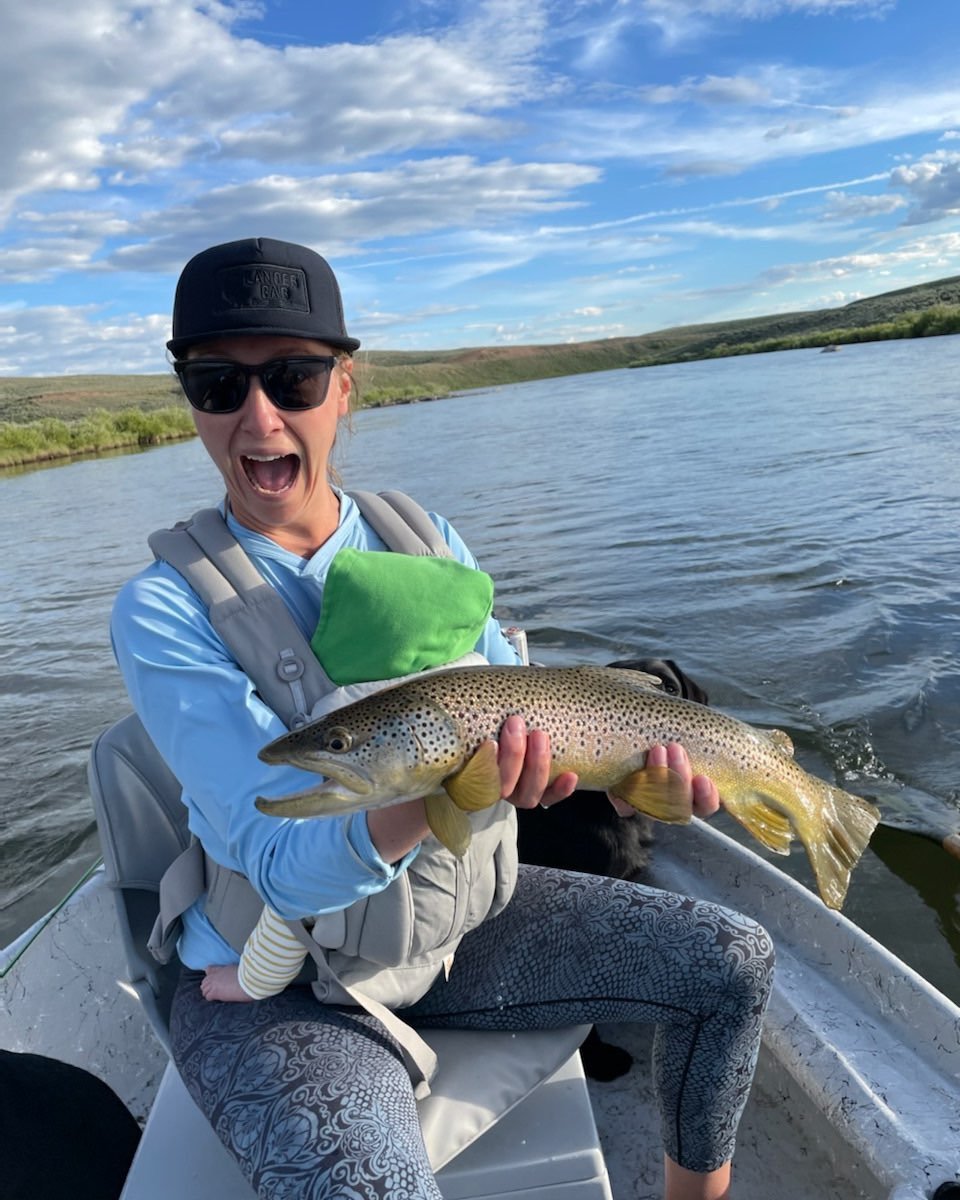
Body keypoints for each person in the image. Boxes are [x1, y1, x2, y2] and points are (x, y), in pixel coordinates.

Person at [110, 236, 774, 1200]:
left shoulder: (422, 537)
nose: (259, 416)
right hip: (280, 992)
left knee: (733, 961)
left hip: (459, 931)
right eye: (217, 383)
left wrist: (642, 783)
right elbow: (275, 854)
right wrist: (439, 792)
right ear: (189, 397)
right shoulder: (162, 608)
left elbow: (536, 721)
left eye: (294, 377)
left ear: (345, 388)